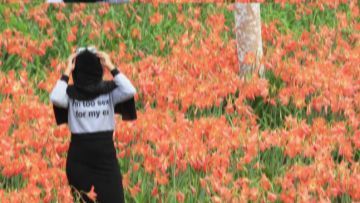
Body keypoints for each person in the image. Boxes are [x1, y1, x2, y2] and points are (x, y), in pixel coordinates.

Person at [49, 46, 137, 203]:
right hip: (81, 162)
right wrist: (66, 71)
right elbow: (55, 97)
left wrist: (111, 66)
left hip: (103, 161)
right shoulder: (71, 95)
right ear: (99, 70)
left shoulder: (108, 92)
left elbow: (130, 90)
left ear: (77, 72)